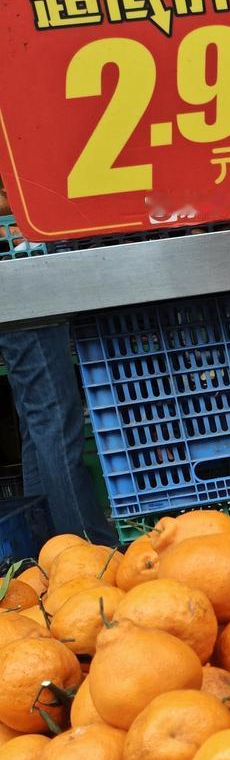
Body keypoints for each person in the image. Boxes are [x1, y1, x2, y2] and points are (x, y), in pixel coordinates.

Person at [0, 180, 115, 546]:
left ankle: (47, 540)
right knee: (52, 419)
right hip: (21, 277)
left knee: (38, 421)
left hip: (19, 276)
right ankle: (85, 543)